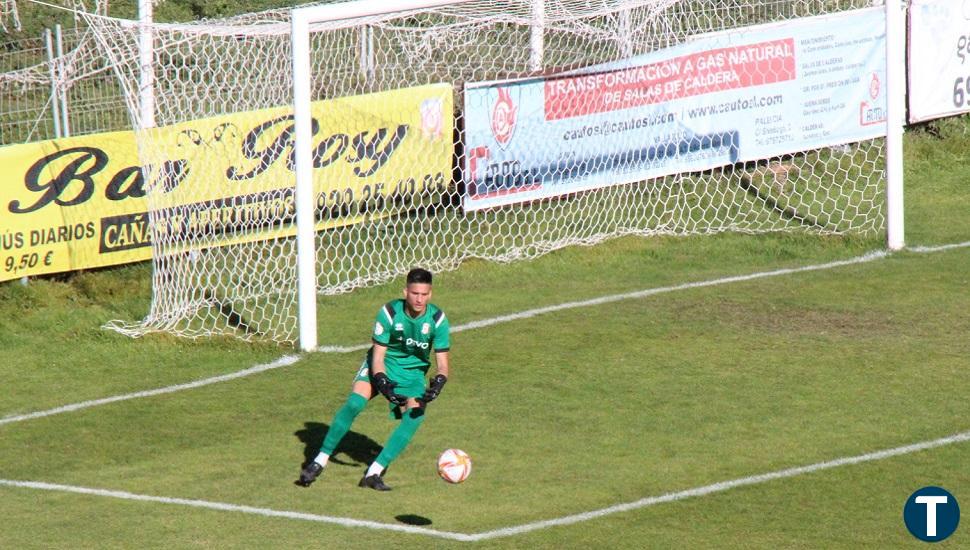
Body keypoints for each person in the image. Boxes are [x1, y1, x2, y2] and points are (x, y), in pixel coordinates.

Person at [298, 267, 450, 491]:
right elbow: (378, 357)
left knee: (415, 416)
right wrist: (381, 381)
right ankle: (319, 460)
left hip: (413, 373)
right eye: (415, 293)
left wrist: (438, 383)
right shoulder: (389, 313)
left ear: (431, 294)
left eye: (424, 294)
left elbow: (443, 364)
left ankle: (374, 472)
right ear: (405, 291)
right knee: (355, 402)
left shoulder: (437, 320)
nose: (419, 299)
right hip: (383, 365)